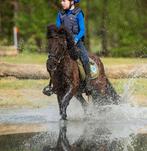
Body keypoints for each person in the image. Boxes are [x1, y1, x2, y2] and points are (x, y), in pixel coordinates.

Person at [43, 0, 91, 96]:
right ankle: (52, 85)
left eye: (64, 0)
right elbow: (57, 30)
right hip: (64, 43)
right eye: (61, 1)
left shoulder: (78, 13)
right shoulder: (60, 14)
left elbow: (82, 30)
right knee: (52, 59)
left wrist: (76, 39)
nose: (62, 3)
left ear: (72, 2)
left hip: (77, 42)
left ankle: (88, 84)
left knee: (85, 59)